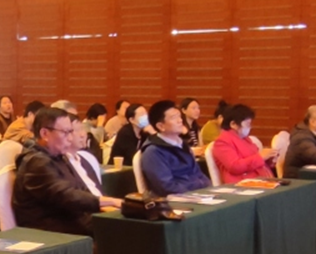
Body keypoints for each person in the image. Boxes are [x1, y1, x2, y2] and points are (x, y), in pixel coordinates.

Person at [13, 107, 121, 235]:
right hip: (50, 230)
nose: (70, 138)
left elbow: (80, 188)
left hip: (71, 221)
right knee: (122, 230)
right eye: (65, 132)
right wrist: (110, 201)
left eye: (71, 132)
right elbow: (67, 196)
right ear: (45, 134)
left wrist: (108, 204)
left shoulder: (59, 157)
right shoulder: (36, 162)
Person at [139, 100, 211, 196]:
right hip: (177, 200)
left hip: (198, 196)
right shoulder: (153, 152)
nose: (180, 120)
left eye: (179, 116)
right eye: (174, 118)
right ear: (160, 126)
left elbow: (199, 174)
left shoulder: (183, 145)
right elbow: (167, 187)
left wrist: (210, 190)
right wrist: (196, 193)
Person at [210, 104, 276, 184]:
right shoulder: (222, 142)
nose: (250, 127)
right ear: (233, 124)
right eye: (247, 124)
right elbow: (234, 166)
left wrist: (268, 159)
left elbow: (256, 160)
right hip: (241, 183)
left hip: (260, 180)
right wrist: (261, 157)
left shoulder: (245, 139)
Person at [110, 103, 149, 168]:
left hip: (134, 168)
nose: (146, 117)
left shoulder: (144, 132)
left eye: (146, 114)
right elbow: (133, 156)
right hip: (120, 169)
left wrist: (153, 133)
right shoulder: (125, 133)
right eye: (142, 115)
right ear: (131, 120)